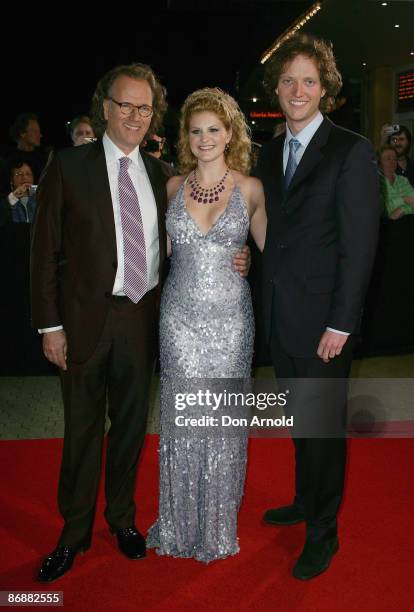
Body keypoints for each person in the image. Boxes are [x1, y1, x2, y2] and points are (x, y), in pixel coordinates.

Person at [31, 64, 249, 583]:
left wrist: (240, 260)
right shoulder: (67, 165)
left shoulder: (161, 176)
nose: (133, 114)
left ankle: (122, 520)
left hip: (143, 319)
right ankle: (73, 532)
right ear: (104, 107)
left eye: (144, 107)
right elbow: (42, 254)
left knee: (129, 428)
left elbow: (201, 237)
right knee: (82, 430)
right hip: (83, 321)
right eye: (124, 104)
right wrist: (49, 326)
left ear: (154, 115)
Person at [257, 34, 379, 580]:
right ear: (277, 89)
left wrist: (341, 324)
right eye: (288, 80)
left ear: (326, 88)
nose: (297, 89)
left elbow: (360, 246)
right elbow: (272, 232)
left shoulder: (351, 150)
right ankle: (305, 502)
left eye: (309, 80)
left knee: (324, 432)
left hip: (325, 326)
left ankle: (323, 534)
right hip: (282, 317)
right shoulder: (268, 151)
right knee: (303, 424)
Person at [147, 88, 266, 562]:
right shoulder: (173, 187)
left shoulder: (251, 188)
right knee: (182, 420)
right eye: (195, 130)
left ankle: (217, 523)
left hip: (232, 321)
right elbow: (162, 254)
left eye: (213, 129)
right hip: (178, 319)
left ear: (230, 132)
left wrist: (250, 263)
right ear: (186, 137)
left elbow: (271, 254)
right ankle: (178, 522)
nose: (204, 138)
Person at [379, 145, 414, 219]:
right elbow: (384, 211)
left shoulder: (403, 180)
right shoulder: (376, 182)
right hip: (385, 227)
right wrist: (404, 199)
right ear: (379, 162)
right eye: (388, 159)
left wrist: (401, 210)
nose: (393, 162)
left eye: (395, 159)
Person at [0, 160, 37, 224]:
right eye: (18, 174)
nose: (24, 177)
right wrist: (13, 197)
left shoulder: (41, 198)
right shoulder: (5, 201)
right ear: (11, 181)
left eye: (28, 174)